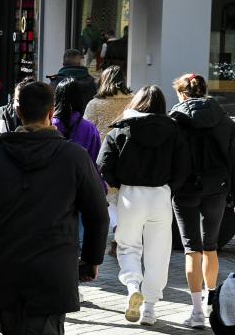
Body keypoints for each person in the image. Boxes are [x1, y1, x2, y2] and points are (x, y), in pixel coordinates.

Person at [0, 81, 109, 335]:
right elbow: (98, 215)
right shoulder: (74, 157)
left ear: (19, 112)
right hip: (54, 273)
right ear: (50, 114)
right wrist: (91, 260)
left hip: (6, 271)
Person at [96, 85, 190, 326]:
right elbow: (183, 167)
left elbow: (104, 164)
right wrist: (170, 186)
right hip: (160, 194)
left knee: (128, 247)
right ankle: (149, 308)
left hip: (130, 194)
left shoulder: (121, 129)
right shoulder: (174, 130)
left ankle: (131, 287)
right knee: (158, 253)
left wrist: (120, 182)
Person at [170, 74, 235, 329]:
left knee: (191, 249)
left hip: (185, 188)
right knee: (211, 246)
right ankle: (212, 304)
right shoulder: (224, 119)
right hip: (217, 187)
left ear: (183, 94)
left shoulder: (175, 119)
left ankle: (196, 312)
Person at [84, 66, 133, 254]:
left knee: (107, 197)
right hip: (128, 153)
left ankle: (117, 232)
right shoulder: (133, 100)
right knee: (124, 196)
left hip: (103, 153)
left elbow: (88, 128)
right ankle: (124, 238)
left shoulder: (95, 104)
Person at [52, 78, 101, 162]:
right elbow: (95, 161)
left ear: (57, 98)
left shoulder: (49, 125)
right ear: (80, 99)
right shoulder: (90, 129)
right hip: (82, 174)